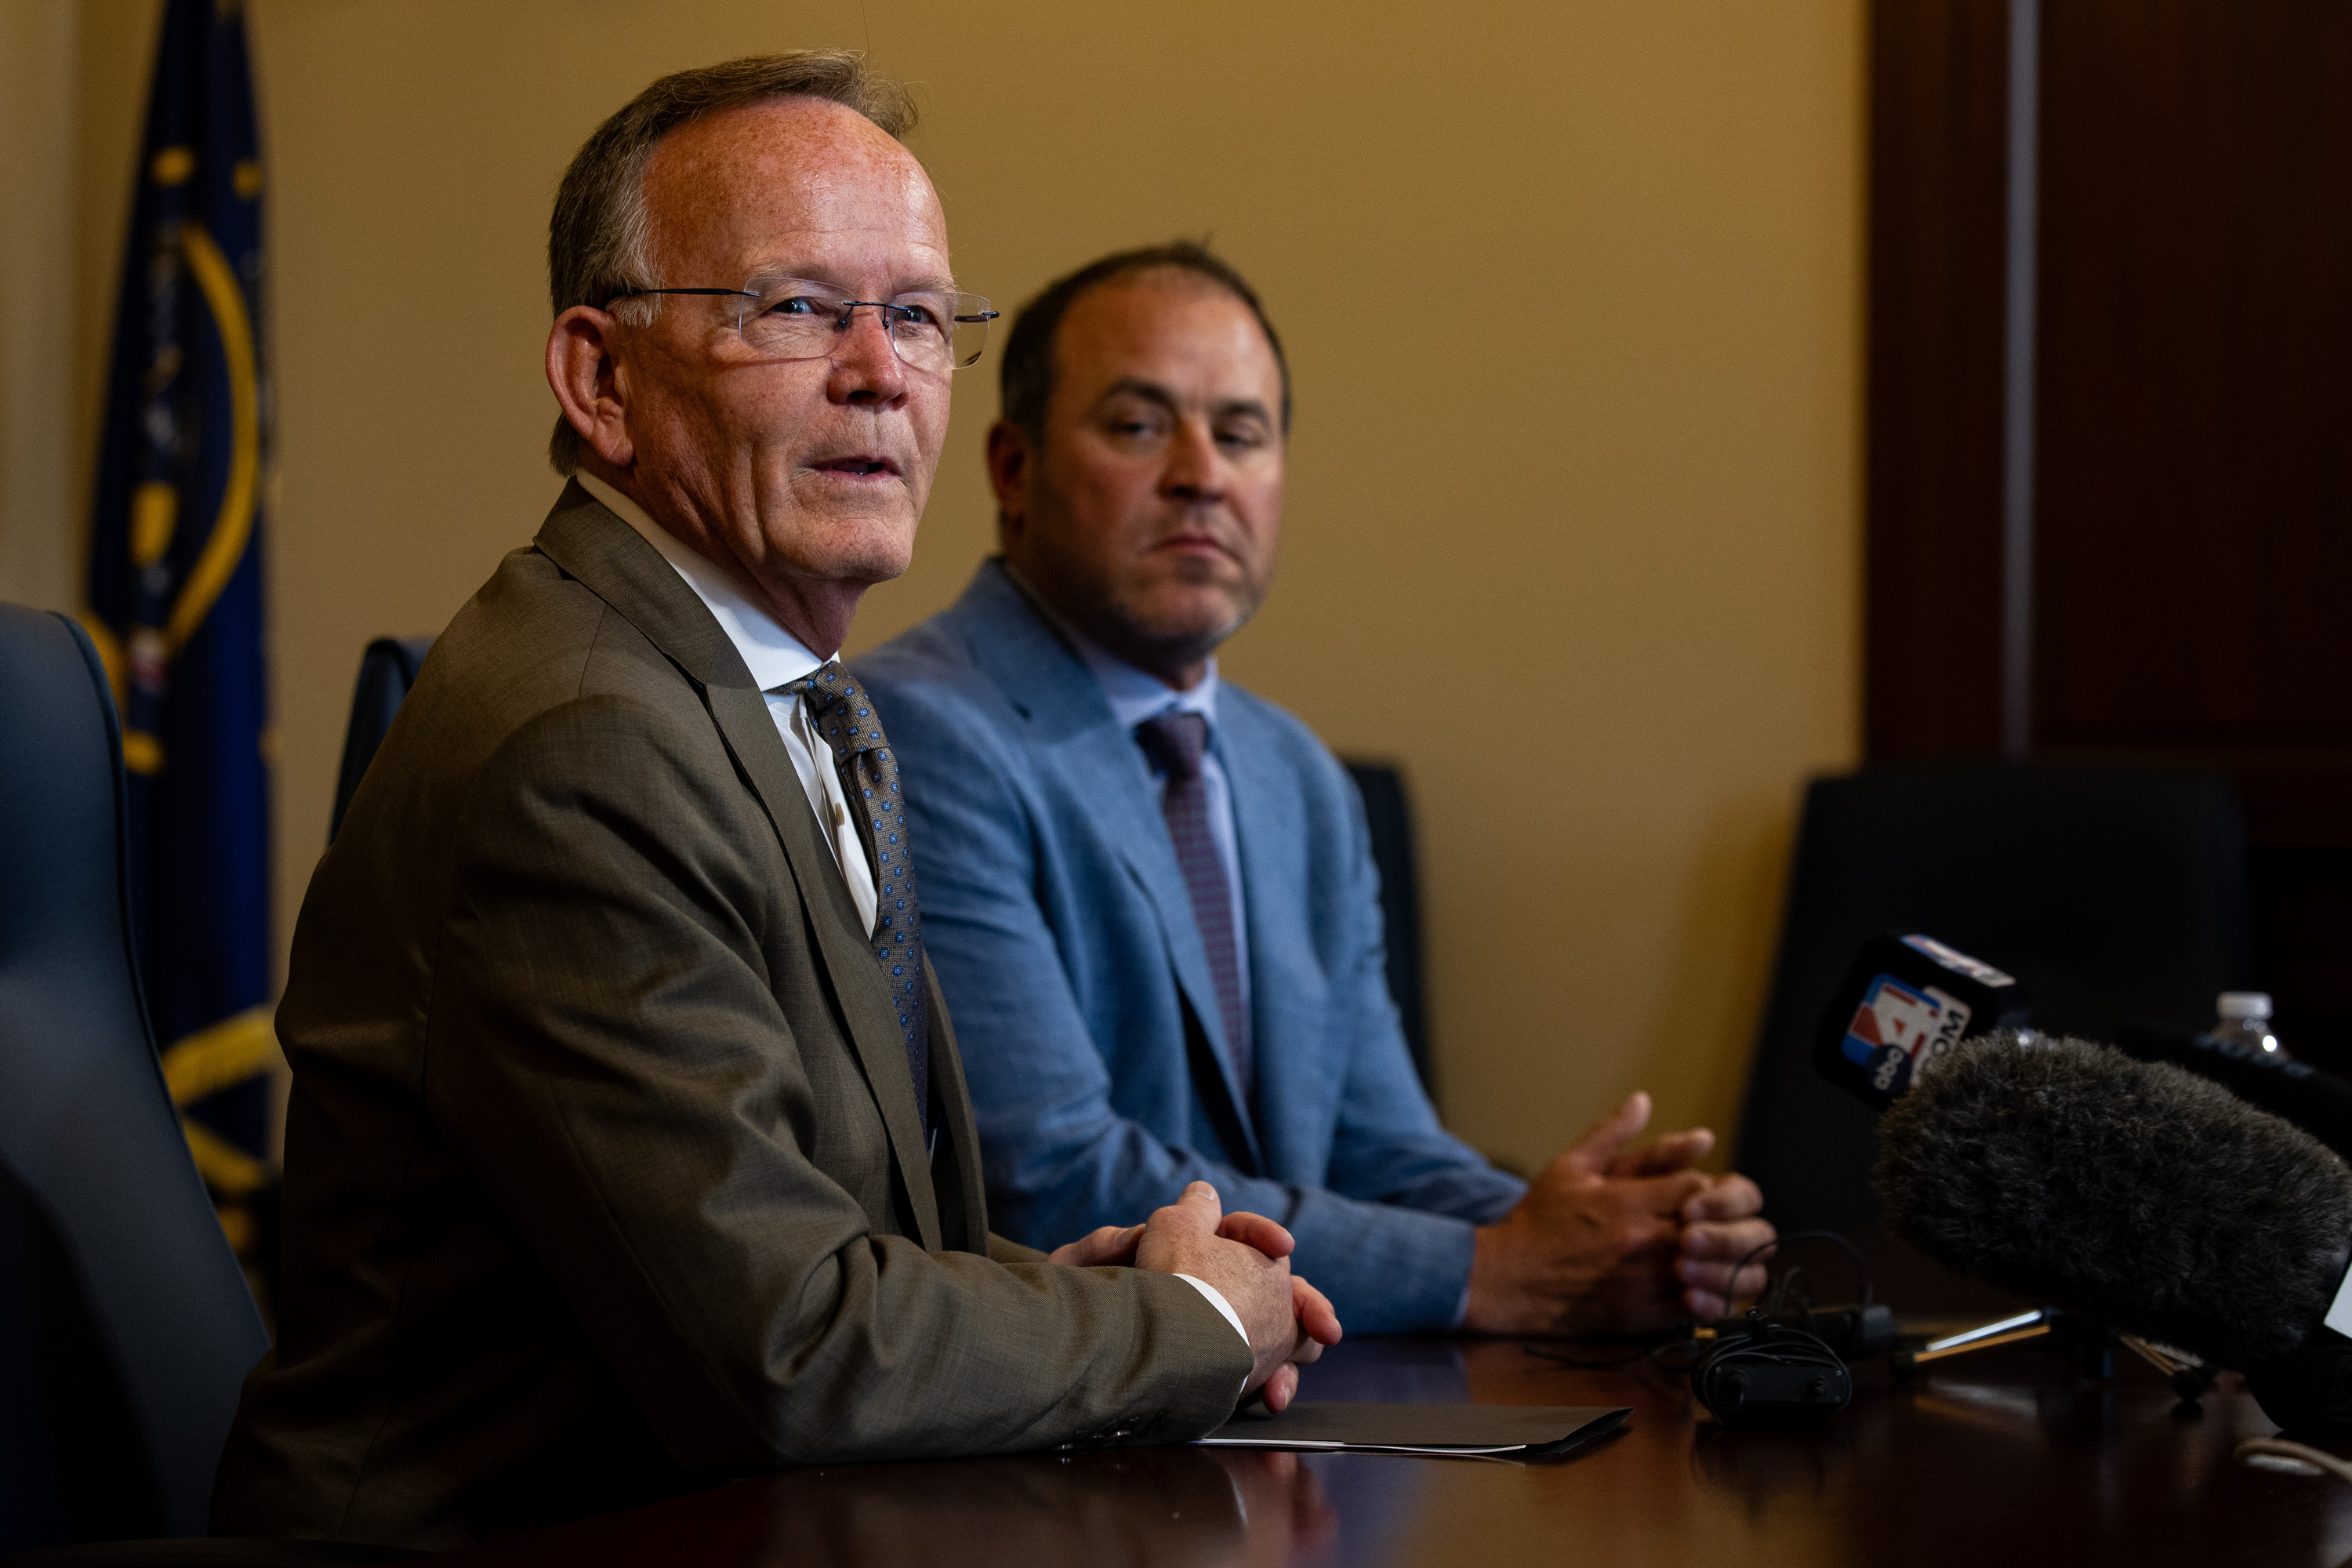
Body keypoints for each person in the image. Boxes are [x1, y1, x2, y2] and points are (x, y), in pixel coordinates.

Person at [210, 63, 1335, 1551]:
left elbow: (835, 1245)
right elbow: (791, 1350)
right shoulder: (585, 740)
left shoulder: (791, 697)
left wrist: (1092, 1295)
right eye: (796, 308)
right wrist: (1190, 1323)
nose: (879, 372)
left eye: (920, 318)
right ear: (599, 380)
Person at [856, 243, 1775, 1336]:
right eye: (1141, 426)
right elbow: (1048, 1173)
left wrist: (1617, 1232)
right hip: (1067, 1423)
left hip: (1305, 1399)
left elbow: (1377, 1146)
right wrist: (1496, 1271)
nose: (1202, 472)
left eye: (1241, 434)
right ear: (1014, 469)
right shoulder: (916, 731)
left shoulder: (1300, 776)